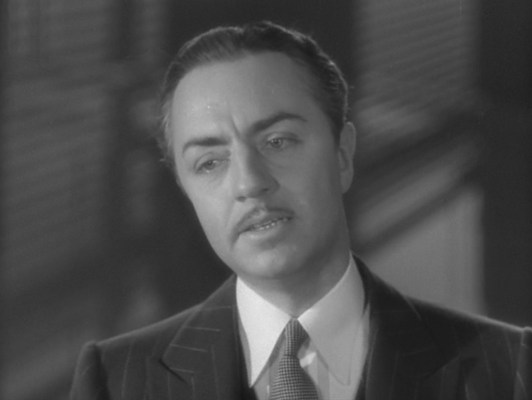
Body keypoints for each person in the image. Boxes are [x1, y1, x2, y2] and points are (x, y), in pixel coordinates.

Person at [71, 21, 531, 400]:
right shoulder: (116, 382)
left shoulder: (508, 370)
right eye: (209, 163)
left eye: (278, 141)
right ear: (185, 191)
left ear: (343, 154)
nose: (249, 183)